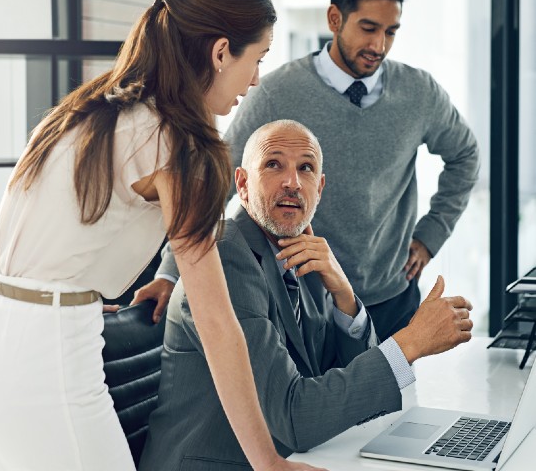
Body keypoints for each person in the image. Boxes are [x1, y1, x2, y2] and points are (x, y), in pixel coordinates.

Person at [0, 0, 324, 471]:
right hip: (45, 358)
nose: (255, 78)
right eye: (255, 58)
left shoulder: (89, 106)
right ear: (220, 53)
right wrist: (268, 462)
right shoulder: (178, 144)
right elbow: (216, 321)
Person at [140, 0, 480, 341]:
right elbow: (218, 181)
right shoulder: (274, 93)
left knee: (397, 399)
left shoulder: (420, 93)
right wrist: (171, 271)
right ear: (334, 19)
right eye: (368, 28)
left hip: (392, 299)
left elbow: (465, 156)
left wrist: (430, 234)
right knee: (313, 400)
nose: (379, 45)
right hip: (305, 302)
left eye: (391, 32)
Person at [139, 120, 474, 469]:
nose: (292, 182)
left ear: (320, 187)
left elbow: (344, 391)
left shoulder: (303, 256)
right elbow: (295, 417)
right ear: (242, 184)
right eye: (273, 165)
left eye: (306, 168)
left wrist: (343, 293)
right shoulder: (226, 255)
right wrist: (411, 342)